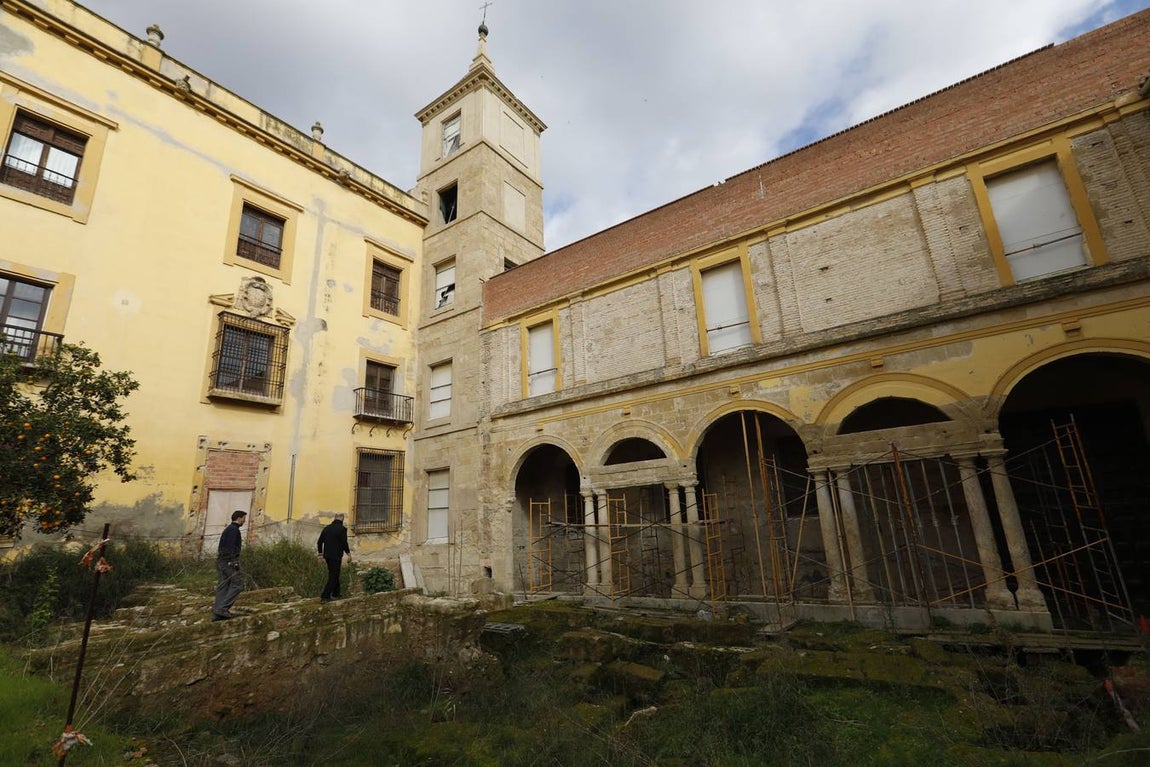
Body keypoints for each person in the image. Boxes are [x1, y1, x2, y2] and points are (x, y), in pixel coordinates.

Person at [212, 510, 246, 621]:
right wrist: (233, 562)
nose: (244, 521)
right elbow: (231, 547)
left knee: (223, 586)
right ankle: (222, 608)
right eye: (244, 518)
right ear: (239, 518)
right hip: (228, 562)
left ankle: (217, 613)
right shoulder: (234, 530)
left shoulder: (228, 529)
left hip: (222, 561)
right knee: (238, 584)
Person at [317, 513, 351, 602]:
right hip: (336, 556)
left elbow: (319, 542)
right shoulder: (342, 529)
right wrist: (348, 554)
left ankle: (336, 593)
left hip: (327, 556)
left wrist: (320, 554)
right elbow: (344, 543)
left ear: (334, 518)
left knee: (334, 573)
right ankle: (325, 596)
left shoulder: (326, 528)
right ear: (342, 519)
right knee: (333, 575)